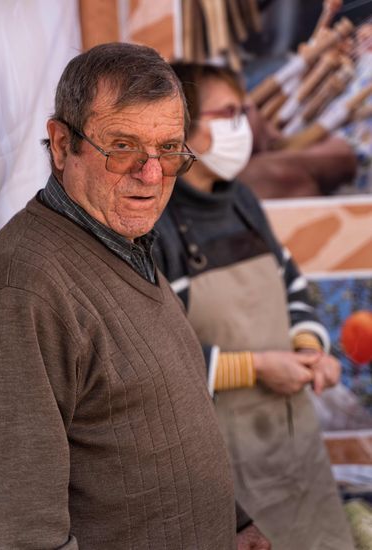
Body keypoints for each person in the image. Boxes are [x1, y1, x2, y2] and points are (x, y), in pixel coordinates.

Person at [0, 44, 270, 549]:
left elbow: (154, 417)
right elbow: (15, 529)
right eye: (122, 147)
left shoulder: (123, 240)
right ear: (61, 145)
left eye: (169, 149)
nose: (150, 177)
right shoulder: (27, 289)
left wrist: (231, 523)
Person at [154, 61, 355, 550]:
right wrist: (256, 369)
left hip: (292, 439)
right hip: (218, 456)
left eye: (243, 111)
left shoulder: (241, 199)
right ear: (183, 127)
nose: (243, 126)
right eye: (228, 113)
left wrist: (309, 349)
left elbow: (293, 287)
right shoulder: (157, 223)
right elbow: (158, 357)